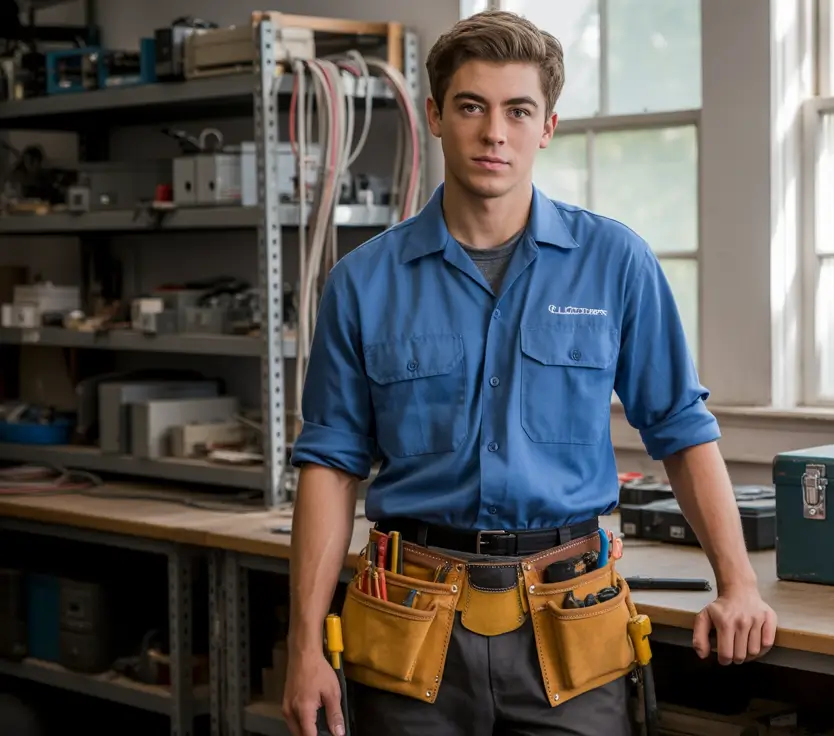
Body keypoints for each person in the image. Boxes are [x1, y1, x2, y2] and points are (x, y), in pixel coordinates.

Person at [280, 9, 777, 736]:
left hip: (569, 623)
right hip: (409, 623)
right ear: (436, 117)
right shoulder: (363, 282)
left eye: (518, 111)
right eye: (472, 107)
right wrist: (304, 647)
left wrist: (739, 585)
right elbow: (330, 463)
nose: (494, 133)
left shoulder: (616, 263)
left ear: (546, 126)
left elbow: (680, 429)